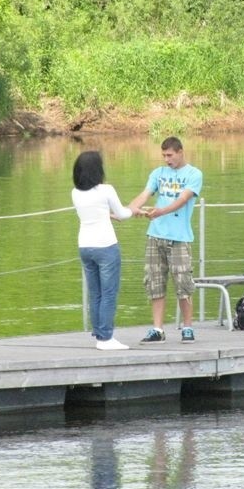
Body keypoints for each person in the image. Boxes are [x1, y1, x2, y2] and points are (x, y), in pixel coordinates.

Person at [129, 136, 203, 344]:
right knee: (155, 282)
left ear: (180, 152)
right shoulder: (158, 173)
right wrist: (128, 210)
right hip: (155, 236)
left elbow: (183, 199)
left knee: (183, 283)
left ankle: (187, 327)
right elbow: (144, 195)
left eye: (170, 155)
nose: (166, 159)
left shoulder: (194, 174)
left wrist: (161, 211)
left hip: (179, 238)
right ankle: (157, 329)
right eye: (164, 155)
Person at [71, 150, 133, 351]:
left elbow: (98, 211)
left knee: (95, 292)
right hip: (105, 246)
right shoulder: (106, 190)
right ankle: (106, 338)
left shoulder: (75, 192)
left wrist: (110, 214)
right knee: (109, 293)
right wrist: (134, 210)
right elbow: (122, 214)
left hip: (85, 246)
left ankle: (99, 333)